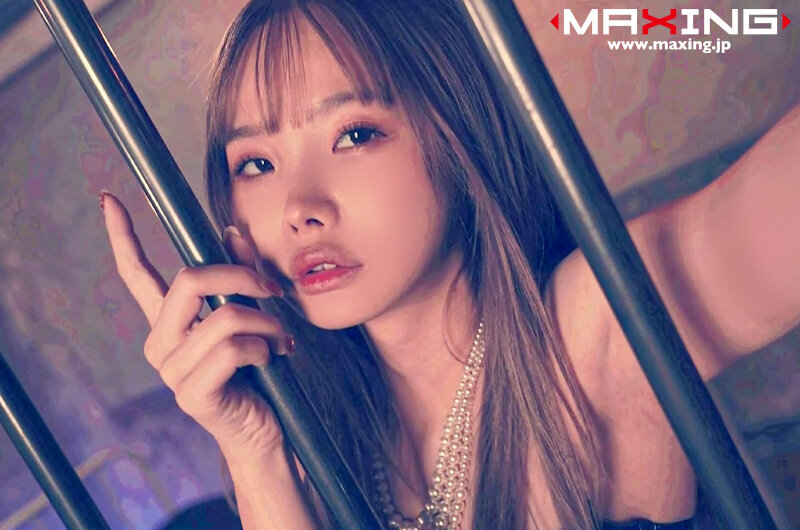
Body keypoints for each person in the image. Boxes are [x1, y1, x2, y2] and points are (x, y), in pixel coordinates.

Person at [100, 0, 800, 528]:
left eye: (354, 134)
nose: (298, 207)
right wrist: (253, 451)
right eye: (256, 163)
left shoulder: (589, 333)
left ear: (457, 132)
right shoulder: (315, 437)